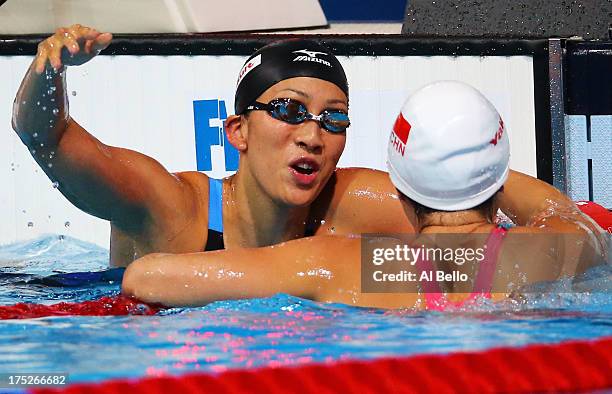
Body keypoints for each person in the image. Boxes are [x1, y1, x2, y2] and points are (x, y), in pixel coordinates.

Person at [12, 25, 597, 268]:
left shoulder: (353, 204)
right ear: (237, 131)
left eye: (333, 119)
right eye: (289, 111)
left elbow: (540, 222)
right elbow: (43, 135)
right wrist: (49, 67)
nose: (313, 134)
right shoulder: (171, 210)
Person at [121, 81, 607, 309]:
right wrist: (484, 167)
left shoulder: (340, 264)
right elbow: (563, 211)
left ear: (397, 181)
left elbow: (147, 277)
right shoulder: (551, 251)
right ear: (498, 174)